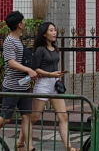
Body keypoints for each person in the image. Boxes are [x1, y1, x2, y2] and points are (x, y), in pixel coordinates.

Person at [0, 11, 37, 151]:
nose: (24, 23)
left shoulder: (18, 40)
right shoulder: (9, 41)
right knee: (5, 118)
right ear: (19, 25)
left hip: (22, 85)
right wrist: (28, 70)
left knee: (26, 116)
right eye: (23, 21)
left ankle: (28, 147)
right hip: (12, 86)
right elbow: (11, 62)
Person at [29, 23, 76, 151]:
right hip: (43, 85)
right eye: (51, 30)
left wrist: (58, 74)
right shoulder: (40, 50)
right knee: (33, 118)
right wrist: (50, 73)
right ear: (44, 33)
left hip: (55, 84)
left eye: (55, 30)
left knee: (63, 116)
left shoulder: (55, 49)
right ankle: (21, 142)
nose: (54, 32)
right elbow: (35, 68)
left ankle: (69, 147)